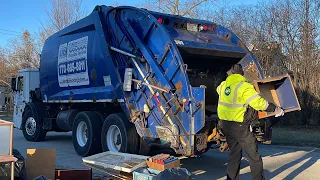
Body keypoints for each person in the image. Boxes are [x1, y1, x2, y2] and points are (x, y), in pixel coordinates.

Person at [216, 64, 284, 180]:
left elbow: (219, 91)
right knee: (254, 156)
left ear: (231, 73)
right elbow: (259, 103)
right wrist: (275, 109)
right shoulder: (244, 87)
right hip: (240, 126)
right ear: (242, 74)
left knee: (234, 154)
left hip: (226, 125)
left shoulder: (223, 85)